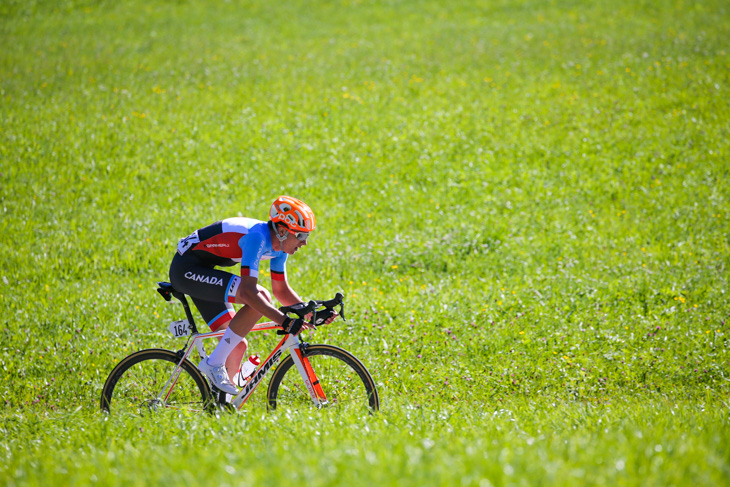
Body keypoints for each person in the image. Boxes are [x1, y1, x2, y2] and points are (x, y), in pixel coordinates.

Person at [169, 196, 332, 395]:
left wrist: (310, 313)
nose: (305, 242)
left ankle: (222, 407)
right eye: (300, 235)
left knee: (237, 346)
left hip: (204, 270)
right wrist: (284, 321)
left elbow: (281, 291)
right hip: (187, 270)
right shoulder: (257, 237)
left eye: (307, 236)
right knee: (259, 294)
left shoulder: (280, 247)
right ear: (282, 231)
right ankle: (213, 364)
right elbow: (248, 292)